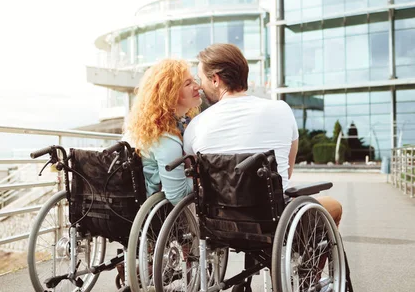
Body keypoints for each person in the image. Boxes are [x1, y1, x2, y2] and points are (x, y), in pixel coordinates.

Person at [183, 43, 342, 226]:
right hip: (275, 220)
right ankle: (308, 252)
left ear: (216, 79)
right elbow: (286, 173)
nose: (200, 86)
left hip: (220, 222)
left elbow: (195, 177)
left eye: (201, 78)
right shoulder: (281, 110)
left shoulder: (195, 126)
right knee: (334, 206)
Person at [125, 59, 202, 205]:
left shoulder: (144, 129)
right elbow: (177, 196)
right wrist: (203, 178)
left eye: (194, 80)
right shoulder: (166, 139)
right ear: (170, 94)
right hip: (155, 214)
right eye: (188, 83)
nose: (197, 86)